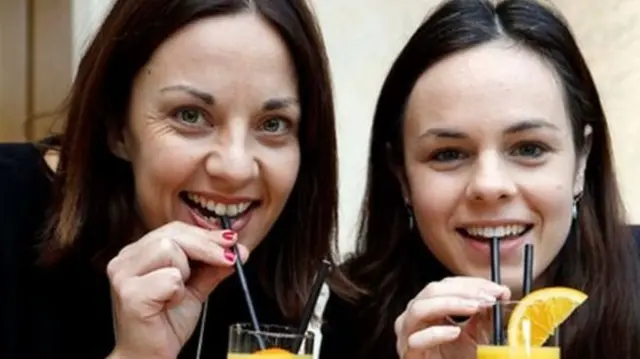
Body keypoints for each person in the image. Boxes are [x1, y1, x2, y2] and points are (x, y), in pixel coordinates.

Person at [0, 0, 353, 358]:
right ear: (116, 126)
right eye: (190, 115)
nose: (235, 168)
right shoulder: (10, 204)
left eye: (273, 124)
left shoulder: (313, 303)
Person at [319, 0, 640, 358]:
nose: (489, 186)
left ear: (582, 160)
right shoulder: (357, 315)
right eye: (449, 154)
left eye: (529, 149)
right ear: (402, 177)